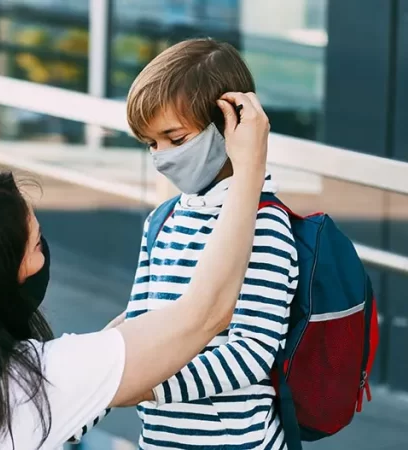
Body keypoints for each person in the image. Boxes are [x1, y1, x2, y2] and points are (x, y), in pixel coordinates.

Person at [0, 89, 270, 450]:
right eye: (35, 244)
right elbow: (208, 312)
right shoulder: (30, 383)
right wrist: (250, 168)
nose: (45, 252)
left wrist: (126, 333)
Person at [74, 38, 298, 449]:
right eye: (151, 144)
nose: (161, 157)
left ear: (228, 124)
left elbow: (251, 352)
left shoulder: (265, 223)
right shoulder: (163, 220)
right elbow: (139, 329)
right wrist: (77, 403)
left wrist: (150, 388)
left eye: (176, 139)